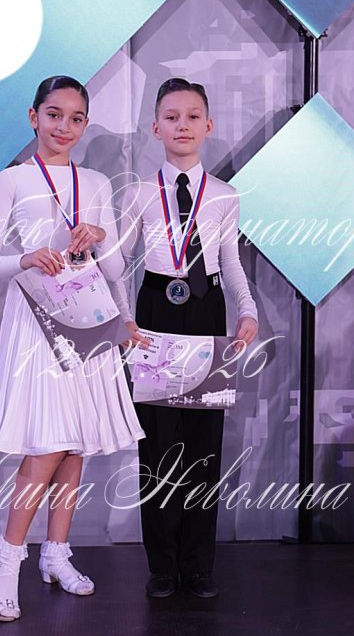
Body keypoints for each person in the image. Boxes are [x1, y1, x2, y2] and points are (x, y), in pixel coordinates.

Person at [0, 75, 144, 621]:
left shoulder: (96, 182)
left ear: (85, 124)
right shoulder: (13, 179)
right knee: (47, 443)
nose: (64, 126)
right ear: (33, 117)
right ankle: (7, 558)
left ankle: (56, 552)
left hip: (90, 317)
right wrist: (26, 258)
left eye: (75, 118)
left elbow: (115, 269)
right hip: (37, 322)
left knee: (75, 445)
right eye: (54, 114)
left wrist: (101, 239)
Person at [111, 78, 258, 599]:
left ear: (208, 125)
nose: (182, 125)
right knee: (156, 445)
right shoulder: (137, 193)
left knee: (203, 445)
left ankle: (198, 566)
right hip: (154, 309)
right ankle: (162, 566)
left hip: (205, 310)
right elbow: (117, 264)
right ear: (156, 128)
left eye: (193, 116)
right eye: (171, 117)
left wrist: (247, 310)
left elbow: (230, 261)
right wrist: (124, 320)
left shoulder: (224, 196)